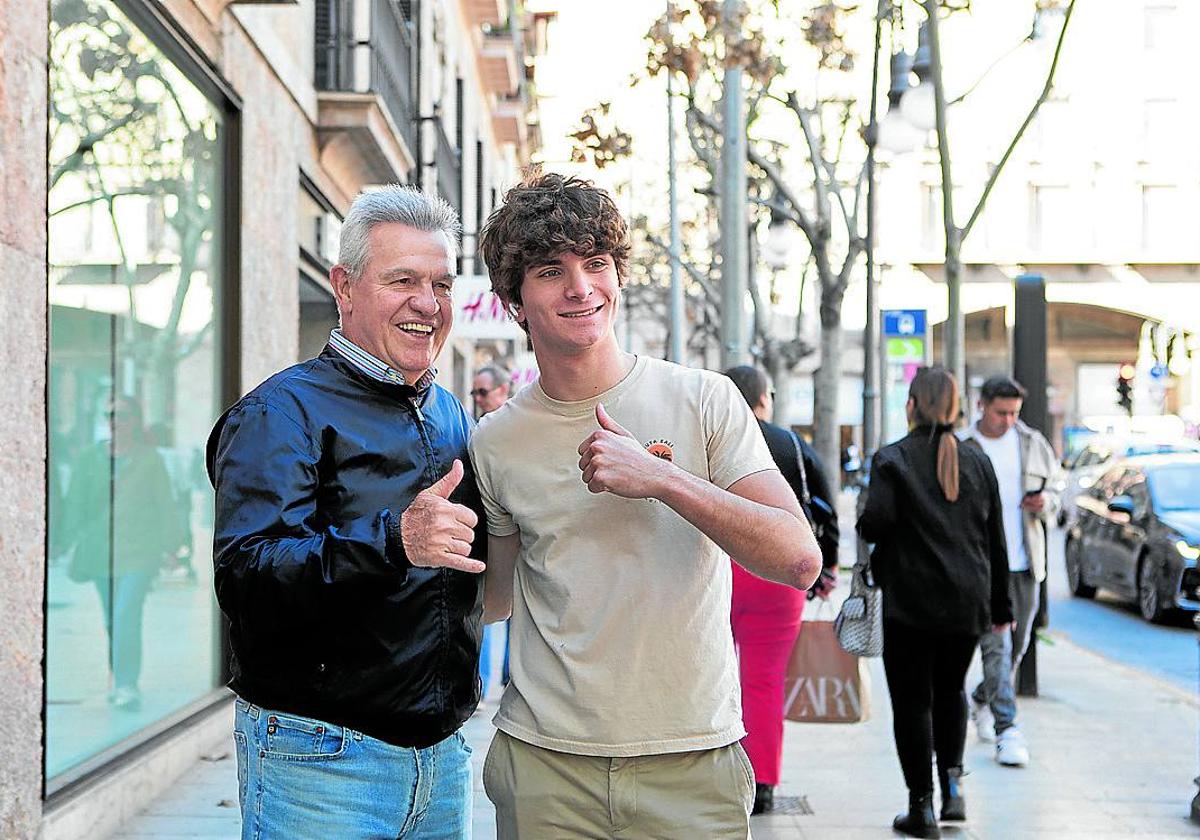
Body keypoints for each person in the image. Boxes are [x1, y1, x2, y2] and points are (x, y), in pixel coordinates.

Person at [470, 173, 822, 839]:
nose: (580, 287)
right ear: (516, 301)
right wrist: (409, 541)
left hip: (691, 761)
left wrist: (664, 480)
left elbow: (799, 560)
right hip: (547, 766)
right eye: (551, 271)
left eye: (595, 263)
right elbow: (493, 601)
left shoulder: (706, 400)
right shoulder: (495, 442)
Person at [206, 186, 486, 839]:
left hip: (441, 764)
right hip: (321, 764)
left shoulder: (447, 412)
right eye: (403, 280)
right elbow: (246, 579)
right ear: (345, 287)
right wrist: (393, 541)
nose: (427, 302)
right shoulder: (279, 413)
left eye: (441, 283)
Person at [857, 366, 1012, 838]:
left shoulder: (892, 460)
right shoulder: (977, 461)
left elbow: (873, 525)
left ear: (911, 405)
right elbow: (995, 539)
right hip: (967, 602)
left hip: (909, 602)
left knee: (912, 703)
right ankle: (954, 791)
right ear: (956, 407)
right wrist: (1001, 608)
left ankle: (921, 808)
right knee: (951, 693)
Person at [723, 365, 839, 815]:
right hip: (779, 576)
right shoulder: (791, 444)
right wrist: (824, 566)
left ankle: (715, 770)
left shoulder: (709, 439)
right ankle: (764, 781)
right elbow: (824, 509)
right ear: (764, 398)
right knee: (764, 681)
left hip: (720, 571)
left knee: (711, 676)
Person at [958, 374, 1061, 767]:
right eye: (1001, 412)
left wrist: (1044, 502)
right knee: (997, 646)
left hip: (1024, 562)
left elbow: (1057, 491)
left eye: (1014, 413)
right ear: (982, 405)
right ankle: (1008, 729)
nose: (1008, 420)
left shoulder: (1032, 443)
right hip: (980, 565)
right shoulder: (964, 446)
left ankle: (983, 699)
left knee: (1015, 649)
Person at [60, 396, 185, 710]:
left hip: (139, 551)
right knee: (112, 619)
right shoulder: (90, 458)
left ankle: (127, 684)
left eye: (124, 415)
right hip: (101, 550)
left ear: (136, 420)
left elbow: (164, 503)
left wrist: (172, 546)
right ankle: (119, 679)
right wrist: (63, 539)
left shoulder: (149, 458)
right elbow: (75, 501)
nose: (116, 421)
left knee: (126, 614)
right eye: (111, 415)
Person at [472, 363, 513, 697]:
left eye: (482, 391)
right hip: (485, 540)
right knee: (485, 611)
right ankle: (484, 684)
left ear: (503, 390)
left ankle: (509, 678)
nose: (477, 398)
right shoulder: (477, 431)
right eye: (474, 393)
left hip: (519, 537)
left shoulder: (518, 427)